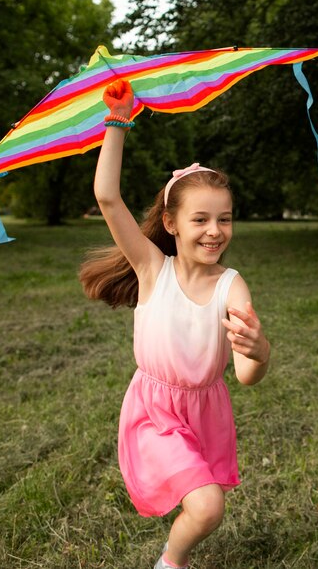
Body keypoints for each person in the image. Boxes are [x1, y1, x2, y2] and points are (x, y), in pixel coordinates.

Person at [79, 79, 271, 569]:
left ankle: (172, 557)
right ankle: (172, 563)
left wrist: (259, 349)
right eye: (200, 219)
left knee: (203, 506)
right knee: (207, 506)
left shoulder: (232, 285)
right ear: (170, 223)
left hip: (206, 411)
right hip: (154, 410)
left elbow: (247, 376)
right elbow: (106, 196)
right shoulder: (151, 269)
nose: (214, 231)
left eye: (224, 219)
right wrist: (118, 122)